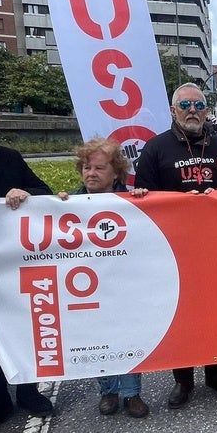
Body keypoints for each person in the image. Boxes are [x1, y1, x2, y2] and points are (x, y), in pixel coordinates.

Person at [134, 82, 217, 408]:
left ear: (207, 110)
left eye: (198, 105)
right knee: (181, 316)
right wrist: (181, 202)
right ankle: (183, 380)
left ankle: (215, 373)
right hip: (173, 250)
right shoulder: (155, 149)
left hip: (216, 248)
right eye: (185, 105)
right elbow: (144, 198)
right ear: (172, 110)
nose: (192, 111)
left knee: (216, 314)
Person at [0, 95, 54, 433]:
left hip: (18, 268)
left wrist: (25, 192)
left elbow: (43, 190)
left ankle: (27, 391)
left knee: (28, 328)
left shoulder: (9, 157)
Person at [58, 139, 150, 418]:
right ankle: (108, 390)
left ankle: (132, 394)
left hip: (123, 285)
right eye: (87, 167)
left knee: (128, 337)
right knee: (98, 338)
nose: (91, 173)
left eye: (99, 167)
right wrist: (53, 206)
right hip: (88, 288)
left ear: (116, 174)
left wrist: (145, 200)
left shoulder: (132, 201)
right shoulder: (67, 204)